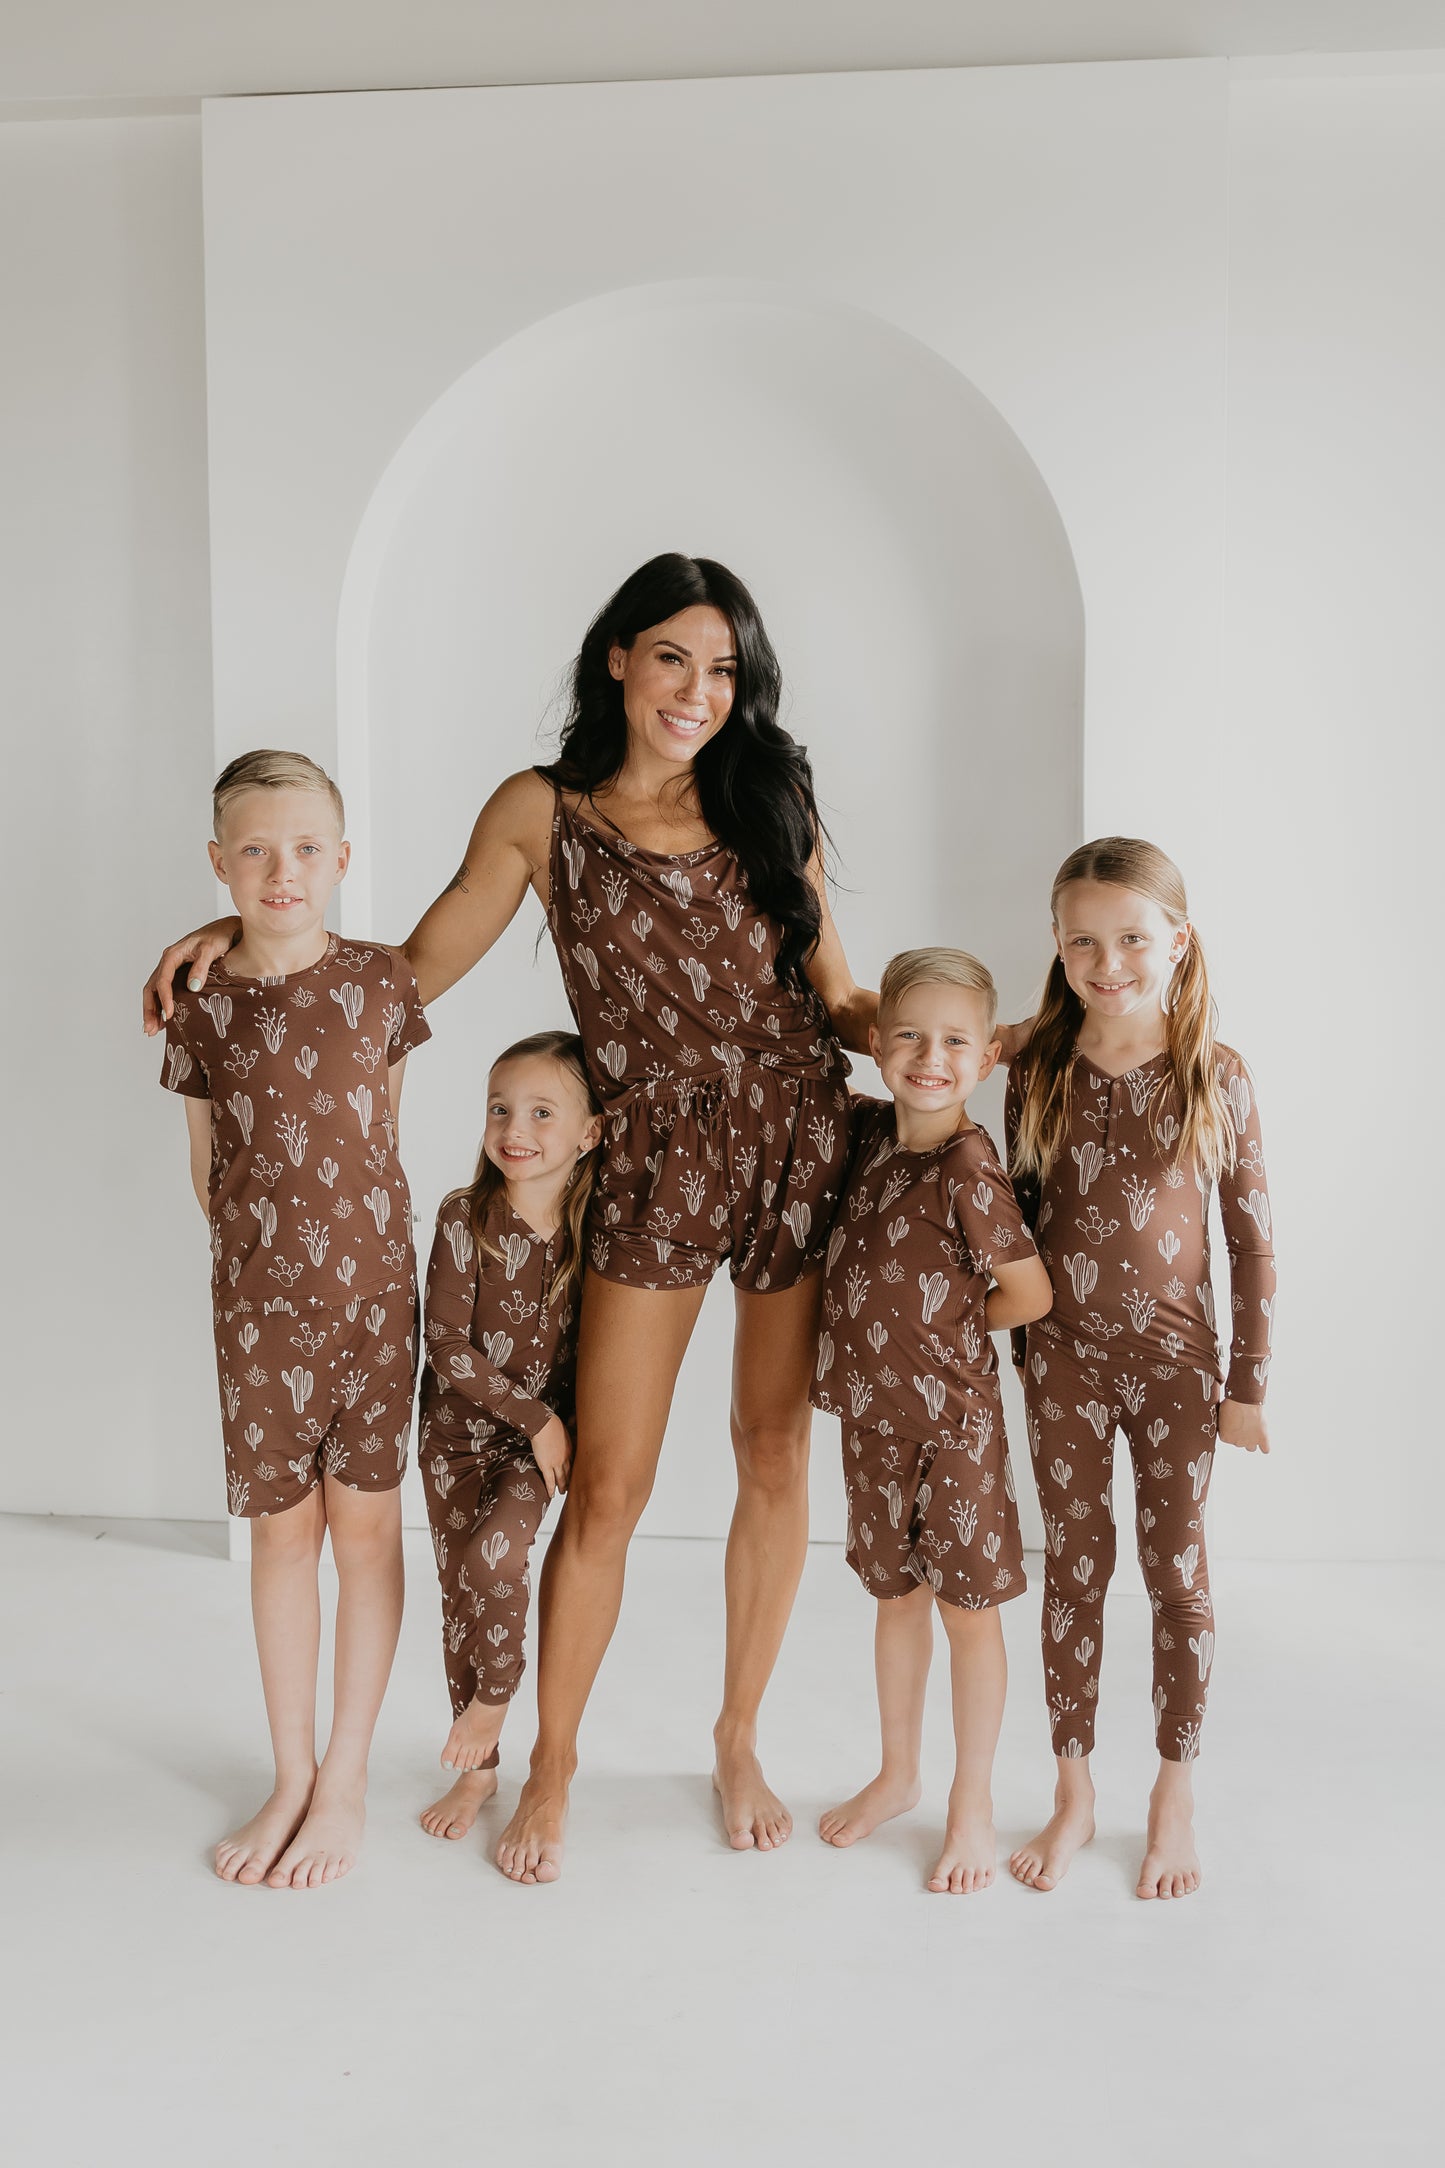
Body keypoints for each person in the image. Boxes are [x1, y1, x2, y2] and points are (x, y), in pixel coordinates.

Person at [143, 554, 874, 1881]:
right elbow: (404, 974)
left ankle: (737, 1737)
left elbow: (837, 993)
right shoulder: (541, 812)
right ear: (617, 657)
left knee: (773, 1451)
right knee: (607, 1481)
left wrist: (949, 1035)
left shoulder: (771, 795)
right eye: (672, 659)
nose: (696, 692)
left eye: (722, 670)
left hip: (797, 1135)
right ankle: (552, 1766)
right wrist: (244, 927)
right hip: (648, 1155)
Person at [159, 749, 430, 1887]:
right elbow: (207, 1169)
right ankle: (289, 1769)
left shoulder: (381, 982)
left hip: (374, 1307)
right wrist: (261, 1281)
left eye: (308, 847)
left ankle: (349, 1772)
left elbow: (385, 1138)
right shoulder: (201, 1001)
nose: (284, 870)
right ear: (219, 864)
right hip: (259, 1319)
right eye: (258, 849)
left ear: (343, 860)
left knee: (364, 1534)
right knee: (283, 1537)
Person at [1004, 838, 1275, 1900]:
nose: (1104, 958)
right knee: (1072, 1566)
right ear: (1057, 946)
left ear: (1176, 940)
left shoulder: (1214, 1071)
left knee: (1174, 1574)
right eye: (1081, 939)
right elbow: (1014, 1226)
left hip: (1175, 1369)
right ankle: (1072, 1787)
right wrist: (1018, 1350)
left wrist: (1245, 1380)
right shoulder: (1036, 1068)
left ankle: (1172, 1787)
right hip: (1061, 1366)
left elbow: (1250, 1237)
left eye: (1128, 937)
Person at [810, 949, 1052, 1892]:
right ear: (876, 1044)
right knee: (893, 1599)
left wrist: (946, 1330)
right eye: (909, 1035)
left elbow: (1025, 1294)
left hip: (950, 1426)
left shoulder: (966, 1166)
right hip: (871, 1423)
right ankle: (899, 1772)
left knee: (965, 1612)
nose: (928, 1055)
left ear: (986, 1058)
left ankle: (972, 1802)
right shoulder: (873, 1140)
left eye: (954, 1041)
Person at [417, 1031, 602, 1845]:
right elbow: (446, 1342)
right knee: (462, 1588)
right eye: (500, 1108)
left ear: (588, 1133)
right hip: (456, 1436)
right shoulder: (467, 1217)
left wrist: (541, 1426)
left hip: (533, 1448)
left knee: (496, 1557)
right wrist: (535, 1414)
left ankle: (495, 1698)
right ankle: (478, 1771)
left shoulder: (595, 1228)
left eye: (539, 1111)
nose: (513, 1128)